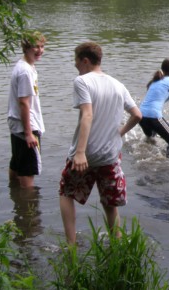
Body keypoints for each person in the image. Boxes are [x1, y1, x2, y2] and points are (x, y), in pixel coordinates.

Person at [59, 42, 142, 244]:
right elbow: (137, 115)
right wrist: (119, 133)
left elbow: (87, 114)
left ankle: (71, 246)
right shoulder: (118, 85)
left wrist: (80, 152)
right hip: (109, 156)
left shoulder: (82, 81)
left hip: (86, 155)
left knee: (66, 192)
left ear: (85, 60)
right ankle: (117, 245)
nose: (75, 65)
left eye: (76, 61)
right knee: (109, 204)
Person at [8, 31, 47, 189]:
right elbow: (24, 103)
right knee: (27, 171)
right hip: (26, 127)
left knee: (17, 163)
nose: (40, 50)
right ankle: (28, 209)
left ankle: (15, 195)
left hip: (18, 124)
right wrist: (29, 133)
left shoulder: (26, 66)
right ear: (26, 48)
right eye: (35, 47)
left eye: (42, 46)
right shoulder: (25, 72)